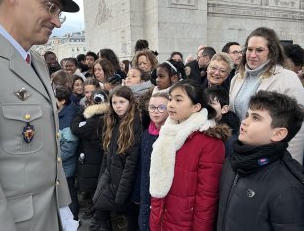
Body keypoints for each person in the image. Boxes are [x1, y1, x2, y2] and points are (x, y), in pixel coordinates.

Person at [0, 0, 79, 230]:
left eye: (58, 13)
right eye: (50, 7)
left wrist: (64, 213)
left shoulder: (36, 62)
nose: (57, 22)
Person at [217, 90, 304, 231]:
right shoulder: (232, 162)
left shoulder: (288, 189)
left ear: (278, 133)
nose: (244, 121)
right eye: (247, 115)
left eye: (256, 118)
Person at [149, 80, 228, 230]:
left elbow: (207, 197)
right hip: (162, 216)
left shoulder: (210, 142)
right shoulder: (168, 131)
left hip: (185, 222)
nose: (170, 104)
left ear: (196, 107)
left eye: (178, 100)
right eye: (171, 98)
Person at [229, 27, 304, 164]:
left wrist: (289, 164)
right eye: (249, 49)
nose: (252, 55)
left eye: (259, 50)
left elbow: (296, 129)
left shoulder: (288, 78)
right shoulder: (237, 78)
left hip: (272, 158)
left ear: (272, 52)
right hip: (241, 153)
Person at [92, 86, 142, 230]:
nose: (118, 106)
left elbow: (131, 165)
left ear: (130, 102)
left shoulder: (135, 123)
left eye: (122, 102)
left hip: (125, 179)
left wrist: (121, 194)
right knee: (99, 201)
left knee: (129, 211)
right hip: (112, 174)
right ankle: (105, 226)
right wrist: (103, 176)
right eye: (114, 103)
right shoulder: (112, 121)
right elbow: (107, 155)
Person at [132, 92, 169, 231]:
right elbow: (141, 167)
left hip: (161, 197)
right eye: (152, 107)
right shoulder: (146, 134)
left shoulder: (171, 136)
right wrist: (137, 193)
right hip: (144, 193)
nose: (155, 111)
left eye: (161, 107)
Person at [70, 89, 109, 221]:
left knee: (94, 188)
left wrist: (81, 113)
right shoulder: (108, 117)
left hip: (91, 160)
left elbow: (75, 128)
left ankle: (96, 212)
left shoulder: (92, 121)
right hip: (99, 158)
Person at [55, 86, 79, 221]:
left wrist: (53, 159)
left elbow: (69, 149)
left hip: (66, 167)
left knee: (69, 194)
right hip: (58, 165)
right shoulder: (56, 115)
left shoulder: (68, 119)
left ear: (62, 101)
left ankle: (74, 220)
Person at [205, 85, 240, 156]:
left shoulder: (229, 139)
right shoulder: (199, 126)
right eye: (205, 103)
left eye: (212, 103)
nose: (207, 107)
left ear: (224, 109)